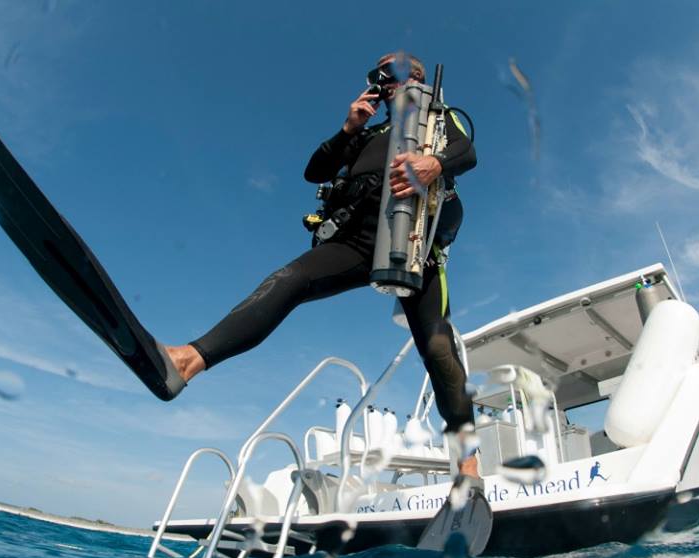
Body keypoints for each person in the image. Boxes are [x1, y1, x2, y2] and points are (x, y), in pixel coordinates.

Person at [164, 53, 479, 476]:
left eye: (394, 71)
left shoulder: (437, 118)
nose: (385, 79)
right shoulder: (365, 133)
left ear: (417, 77)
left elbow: (467, 151)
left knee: (438, 348)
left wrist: (435, 163)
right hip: (356, 242)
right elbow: (314, 172)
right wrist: (349, 127)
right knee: (289, 279)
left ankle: (468, 467)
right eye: (379, 73)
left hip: (415, 244)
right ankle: (188, 360)